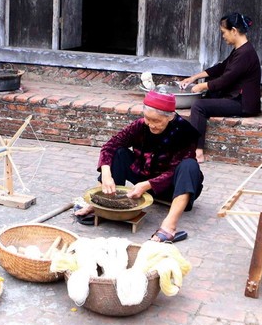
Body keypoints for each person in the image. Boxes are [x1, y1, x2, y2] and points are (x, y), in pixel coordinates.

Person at [74, 91, 204, 243]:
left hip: (173, 188)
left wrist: (148, 184)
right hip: (143, 179)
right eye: (147, 118)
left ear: (170, 116)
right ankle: (100, 203)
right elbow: (110, 146)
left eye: (156, 121)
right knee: (119, 152)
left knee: (190, 165)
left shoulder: (185, 132)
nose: (151, 124)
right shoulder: (141, 125)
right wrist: (106, 174)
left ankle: (169, 226)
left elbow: (173, 171)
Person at [178, 12, 262, 162]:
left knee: (198, 106)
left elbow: (225, 80)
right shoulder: (240, 50)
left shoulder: (246, 53)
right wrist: (195, 77)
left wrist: (202, 86)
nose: (223, 36)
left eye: (224, 32)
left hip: (243, 104)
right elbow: (222, 68)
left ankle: (198, 152)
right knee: (206, 98)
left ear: (234, 31)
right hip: (236, 99)